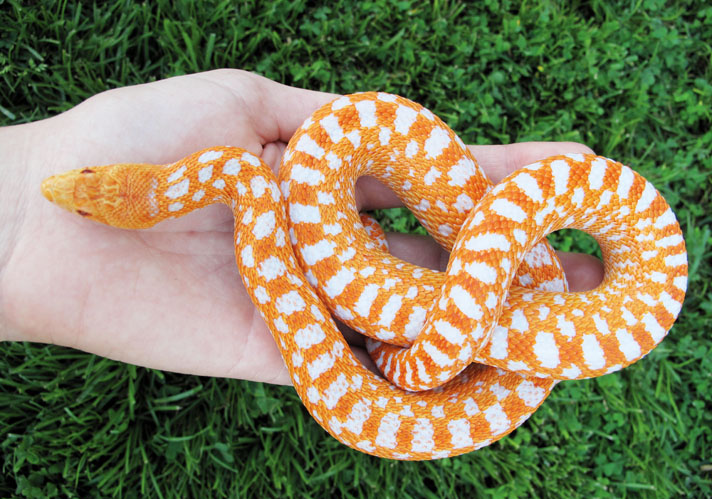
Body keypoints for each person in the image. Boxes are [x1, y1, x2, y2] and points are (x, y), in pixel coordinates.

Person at [0, 69, 603, 385]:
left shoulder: (250, 173)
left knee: (447, 332)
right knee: (492, 313)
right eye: (87, 198)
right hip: (451, 307)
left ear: (139, 184)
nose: (65, 192)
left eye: (88, 180)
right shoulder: (239, 172)